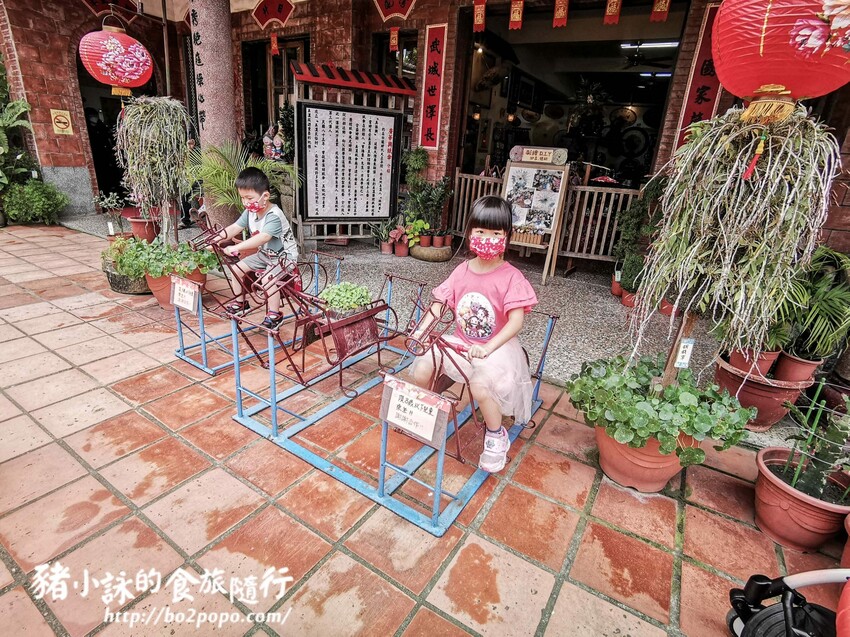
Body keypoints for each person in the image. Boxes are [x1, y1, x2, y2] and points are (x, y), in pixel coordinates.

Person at [410, 195, 538, 472]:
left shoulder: (511, 277)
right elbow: (438, 306)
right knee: (422, 367)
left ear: (506, 236)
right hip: (460, 342)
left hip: (496, 348)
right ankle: (429, 413)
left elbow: (516, 322)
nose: (487, 237)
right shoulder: (461, 270)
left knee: (481, 386)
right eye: (480, 231)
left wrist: (489, 348)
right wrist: (419, 333)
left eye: (495, 233)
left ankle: (495, 434)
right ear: (469, 233)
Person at [211, 167, 298, 329]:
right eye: (242, 198)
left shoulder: (274, 215)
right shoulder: (250, 212)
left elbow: (263, 237)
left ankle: (274, 314)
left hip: (284, 258)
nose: (245, 202)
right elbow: (234, 228)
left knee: (267, 279)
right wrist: (214, 240)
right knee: (236, 268)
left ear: (265, 196)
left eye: (249, 198)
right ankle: (240, 303)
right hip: (264, 255)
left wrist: (237, 247)